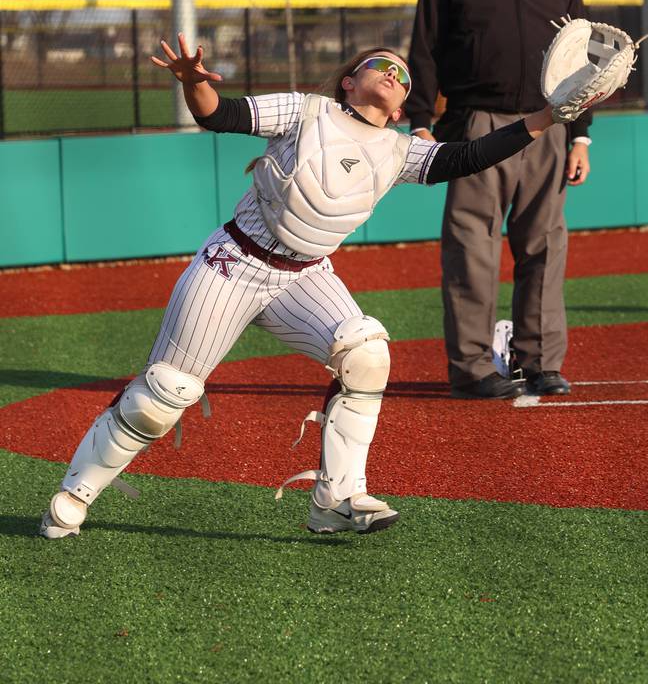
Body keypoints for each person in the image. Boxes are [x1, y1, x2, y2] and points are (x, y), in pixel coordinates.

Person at [40, 34, 560, 541]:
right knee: (162, 397)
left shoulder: (400, 152)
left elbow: (469, 156)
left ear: (402, 108)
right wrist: (191, 81)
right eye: (382, 65)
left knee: (367, 356)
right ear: (349, 83)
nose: (395, 74)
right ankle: (76, 495)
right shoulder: (305, 111)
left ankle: (335, 501)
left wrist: (545, 117)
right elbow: (218, 115)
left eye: (403, 76)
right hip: (233, 264)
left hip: (306, 276)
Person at [406, 0, 592, 401]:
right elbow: (425, 51)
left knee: (544, 245)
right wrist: (421, 122)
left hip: (547, 124)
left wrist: (581, 134)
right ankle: (471, 368)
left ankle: (541, 362)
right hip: (474, 126)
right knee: (471, 250)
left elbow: (585, 57)